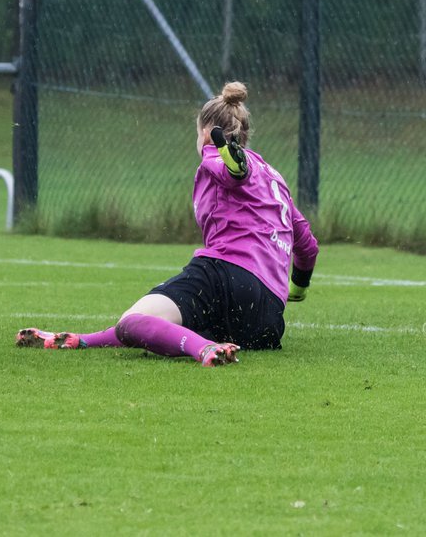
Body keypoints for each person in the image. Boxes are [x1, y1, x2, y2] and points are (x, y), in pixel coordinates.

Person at [16, 82, 319, 366]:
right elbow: (307, 244)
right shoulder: (275, 180)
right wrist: (299, 288)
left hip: (224, 276)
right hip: (266, 318)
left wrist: (228, 161)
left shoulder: (218, 157)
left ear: (204, 132)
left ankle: (204, 349)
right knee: (153, 326)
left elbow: (228, 172)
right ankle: (81, 341)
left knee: (133, 324)